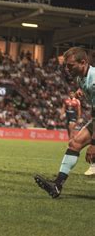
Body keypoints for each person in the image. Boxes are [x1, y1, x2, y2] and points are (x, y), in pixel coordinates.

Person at [34, 47, 95, 198]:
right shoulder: (81, 76)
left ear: (83, 62)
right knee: (74, 144)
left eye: (70, 65)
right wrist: (82, 91)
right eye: (66, 66)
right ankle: (57, 185)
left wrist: (93, 144)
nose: (67, 69)